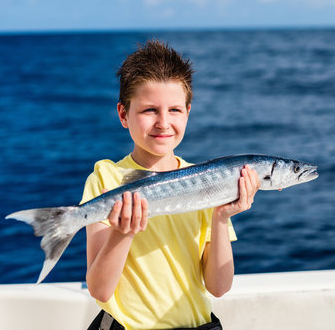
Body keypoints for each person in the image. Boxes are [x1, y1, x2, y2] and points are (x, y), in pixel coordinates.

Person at [83, 40, 260, 330]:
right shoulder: (106, 180)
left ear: (188, 112)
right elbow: (100, 290)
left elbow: (219, 286)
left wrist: (221, 217)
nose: (164, 123)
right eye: (150, 110)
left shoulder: (209, 181)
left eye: (175, 110)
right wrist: (123, 233)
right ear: (123, 115)